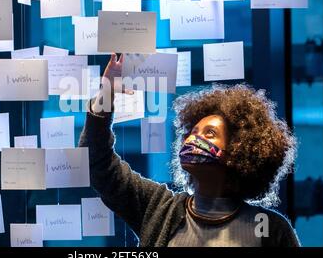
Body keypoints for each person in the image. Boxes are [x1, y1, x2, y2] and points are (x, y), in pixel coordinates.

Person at [78, 54, 301, 247]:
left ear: (238, 152)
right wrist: (106, 93)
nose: (194, 138)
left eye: (209, 134)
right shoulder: (159, 208)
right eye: (192, 132)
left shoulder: (271, 229)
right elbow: (96, 162)